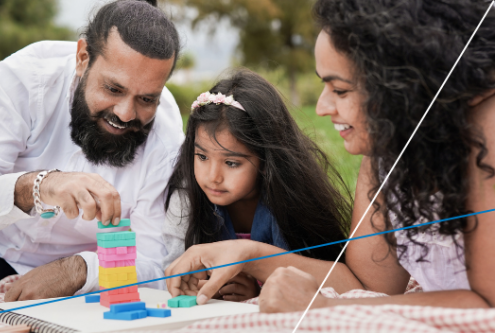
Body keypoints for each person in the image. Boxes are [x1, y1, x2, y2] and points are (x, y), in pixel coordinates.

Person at [164, 0, 495, 311]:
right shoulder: (385, 151)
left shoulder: (485, 134)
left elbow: (486, 306)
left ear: (401, 84)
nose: (322, 107)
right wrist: (248, 254)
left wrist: (329, 307)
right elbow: (366, 284)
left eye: (340, 90)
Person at [0, 0, 184, 299]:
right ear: (82, 57)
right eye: (113, 89)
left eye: (147, 99)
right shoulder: (27, 76)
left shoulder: (167, 144)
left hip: (1, 259)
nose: (127, 113)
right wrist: (41, 186)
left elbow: (156, 266)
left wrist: (82, 269)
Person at [162, 69, 351, 302]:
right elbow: (171, 274)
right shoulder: (187, 200)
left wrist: (258, 293)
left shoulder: (292, 202)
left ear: (266, 159)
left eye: (231, 163)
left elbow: (346, 284)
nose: (213, 176)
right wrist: (198, 287)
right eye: (202, 157)